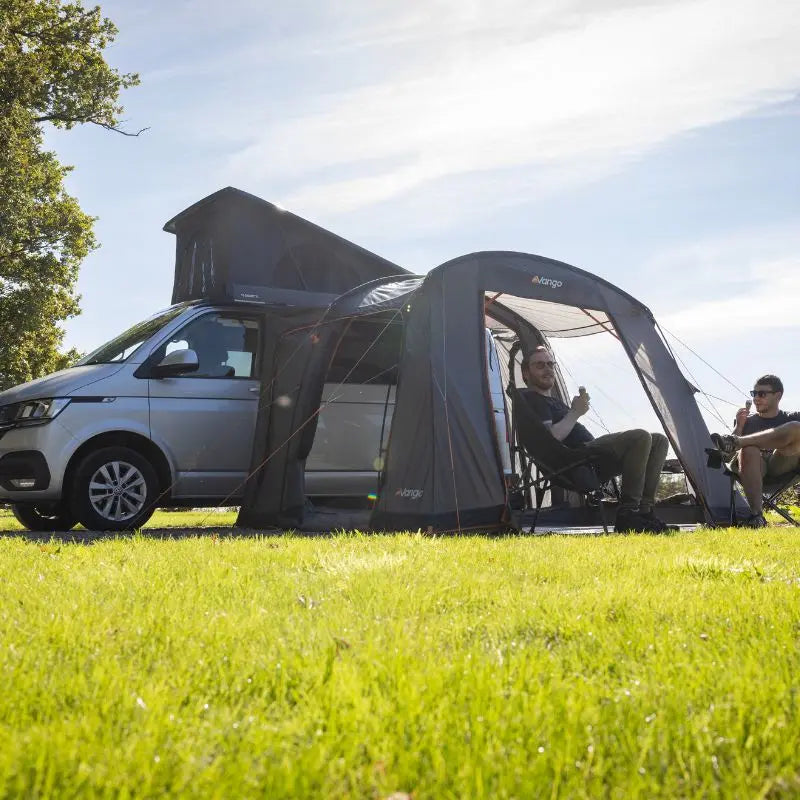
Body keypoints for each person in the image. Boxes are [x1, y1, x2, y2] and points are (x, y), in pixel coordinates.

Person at [520, 345, 672, 533]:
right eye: (540, 365)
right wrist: (575, 412)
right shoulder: (532, 399)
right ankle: (628, 514)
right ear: (526, 373)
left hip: (592, 459)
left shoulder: (553, 401)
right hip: (575, 462)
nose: (548, 369)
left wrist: (574, 411)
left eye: (551, 364)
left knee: (659, 441)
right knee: (639, 437)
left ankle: (645, 513)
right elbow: (549, 439)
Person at [710, 374, 800, 527]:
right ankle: (756, 516)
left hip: (782, 465)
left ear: (778, 396)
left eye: (762, 394)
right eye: (754, 393)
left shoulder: (792, 417)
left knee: (796, 428)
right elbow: (725, 458)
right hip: (754, 469)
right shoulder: (746, 421)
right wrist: (738, 427)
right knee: (748, 450)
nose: (756, 398)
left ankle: (739, 442)